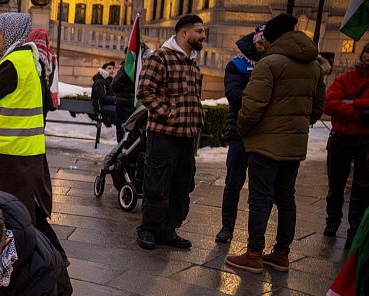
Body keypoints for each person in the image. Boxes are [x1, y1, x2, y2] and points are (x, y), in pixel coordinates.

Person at [226, 14, 326, 273]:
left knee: (260, 198)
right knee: (286, 197)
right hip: (294, 145)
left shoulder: (269, 64)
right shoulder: (314, 65)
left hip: (265, 144)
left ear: (273, 38)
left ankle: (254, 254)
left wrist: (244, 129)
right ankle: (281, 253)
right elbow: (317, 109)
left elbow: (251, 107)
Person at [0, 13, 66, 262]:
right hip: (21, 149)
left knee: (10, 214)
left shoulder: (14, 63)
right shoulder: (27, 59)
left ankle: (42, 257)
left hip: (6, 152)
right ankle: (53, 256)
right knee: (25, 211)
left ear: (10, 34)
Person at [135, 15, 206, 251]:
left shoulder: (193, 62)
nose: (203, 36)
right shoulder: (160, 57)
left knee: (181, 186)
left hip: (187, 137)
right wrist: (169, 113)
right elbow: (144, 91)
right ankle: (148, 229)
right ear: (184, 33)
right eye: (199, 31)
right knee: (157, 182)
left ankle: (168, 230)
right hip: (164, 135)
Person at [215, 25, 268, 244]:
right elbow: (234, 95)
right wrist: (262, 97)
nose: (263, 47)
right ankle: (227, 227)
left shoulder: (273, 62)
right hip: (239, 132)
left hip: (264, 134)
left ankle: (256, 237)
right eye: (261, 42)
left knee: (260, 189)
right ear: (254, 41)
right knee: (233, 183)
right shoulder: (237, 64)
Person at [323, 43, 369, 249]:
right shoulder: (346, 78)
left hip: (365, 141)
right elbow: (330, 103)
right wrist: (358, 111)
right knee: (336, 183)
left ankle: (354, 229)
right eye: (367, 51)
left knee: (361, 187)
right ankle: (332, 221)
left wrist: (353, 103)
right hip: (340, 137)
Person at [26, 29, 58, 121]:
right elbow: (50, 83)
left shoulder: (29, 57)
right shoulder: (50, 59)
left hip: (31, 104)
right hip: (43, 105)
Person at [92, 61, 123, 139]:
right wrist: (115, 98)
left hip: (107, 105)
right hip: (101, 108)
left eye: (112, 68)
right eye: (109, 68)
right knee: (120, 114)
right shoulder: (100, 82)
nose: (112, 70)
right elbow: (103, 98)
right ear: (103, 70)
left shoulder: (107, 81)